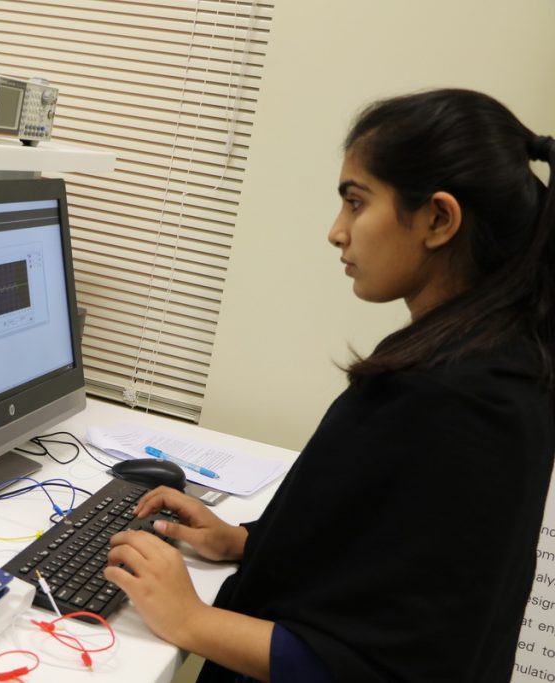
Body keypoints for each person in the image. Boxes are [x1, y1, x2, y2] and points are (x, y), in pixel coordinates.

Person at [104, 88, 555, 682]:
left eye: (356, 202)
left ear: (439, 219)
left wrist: (190, 619)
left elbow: (386, 668)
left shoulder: (459, 403)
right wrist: (244, 542)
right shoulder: (496, 363)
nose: (337, 232)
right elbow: (392, 556)